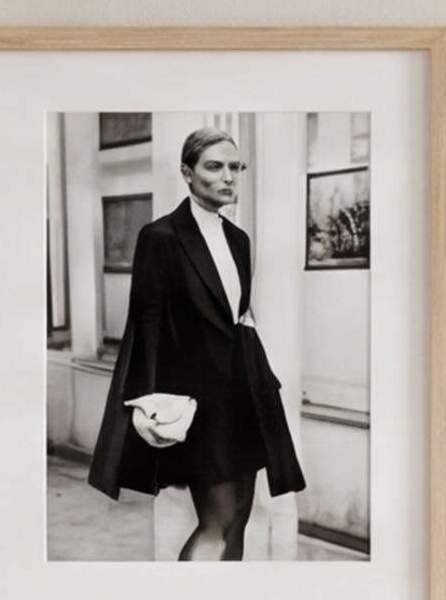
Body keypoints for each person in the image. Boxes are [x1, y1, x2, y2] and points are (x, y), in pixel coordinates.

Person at [86, 123, 307, 558]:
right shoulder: (160, 238)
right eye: (214, 167)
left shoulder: (239, 241)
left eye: (234, 167)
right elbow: (145, 329)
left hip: (245, 395)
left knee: (241, 513)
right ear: (188, 173)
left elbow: (238, 319)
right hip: (199, 401)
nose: (228, 177)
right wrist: (148, 407)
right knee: (216, 521)